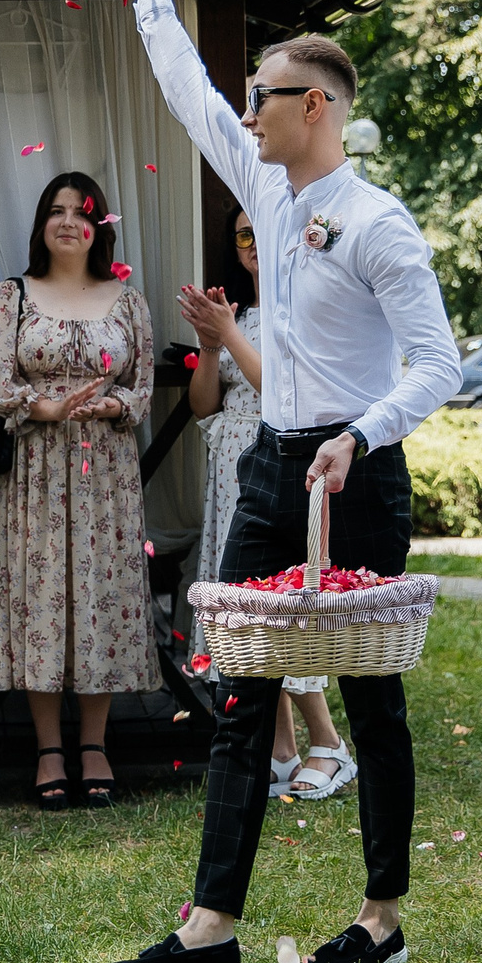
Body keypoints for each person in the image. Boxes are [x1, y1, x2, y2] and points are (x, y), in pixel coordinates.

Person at [98, 0, 461, 963]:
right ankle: (209, 929)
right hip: (269, 464)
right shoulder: (266, 187)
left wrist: (362, 435)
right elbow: (189, 100)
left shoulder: (379, 223)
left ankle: (380, 914)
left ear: (316, 106)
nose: (246, 109)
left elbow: (439, 362)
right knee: (241, 686)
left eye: (263, 93)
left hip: (358, 471)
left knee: (372, 696)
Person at [0, 171, 160, 813]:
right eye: (55, 211)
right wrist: (44, 408)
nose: (68, 222)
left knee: (100, 594)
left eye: (81, 212)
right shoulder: (11, 297)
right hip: (32, 470)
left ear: (99, 226)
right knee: (40, 594)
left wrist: (110, 405)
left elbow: (144, 385)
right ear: (40, 224)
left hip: (104, 472)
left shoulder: (127, 299)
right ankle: (48, 747)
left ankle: (95, 744)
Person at [180, 209, 353, 800]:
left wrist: (226, 333)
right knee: (246, 609)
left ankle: (329, 743)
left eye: (261, 232)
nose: (252, 245)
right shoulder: (242, 315)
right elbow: (203, 405)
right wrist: (210, 346)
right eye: (242, 235)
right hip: (228, 464)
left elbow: (278, 392)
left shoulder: (298, 310)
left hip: (281, 463)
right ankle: (281, 750)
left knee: (281, 605)